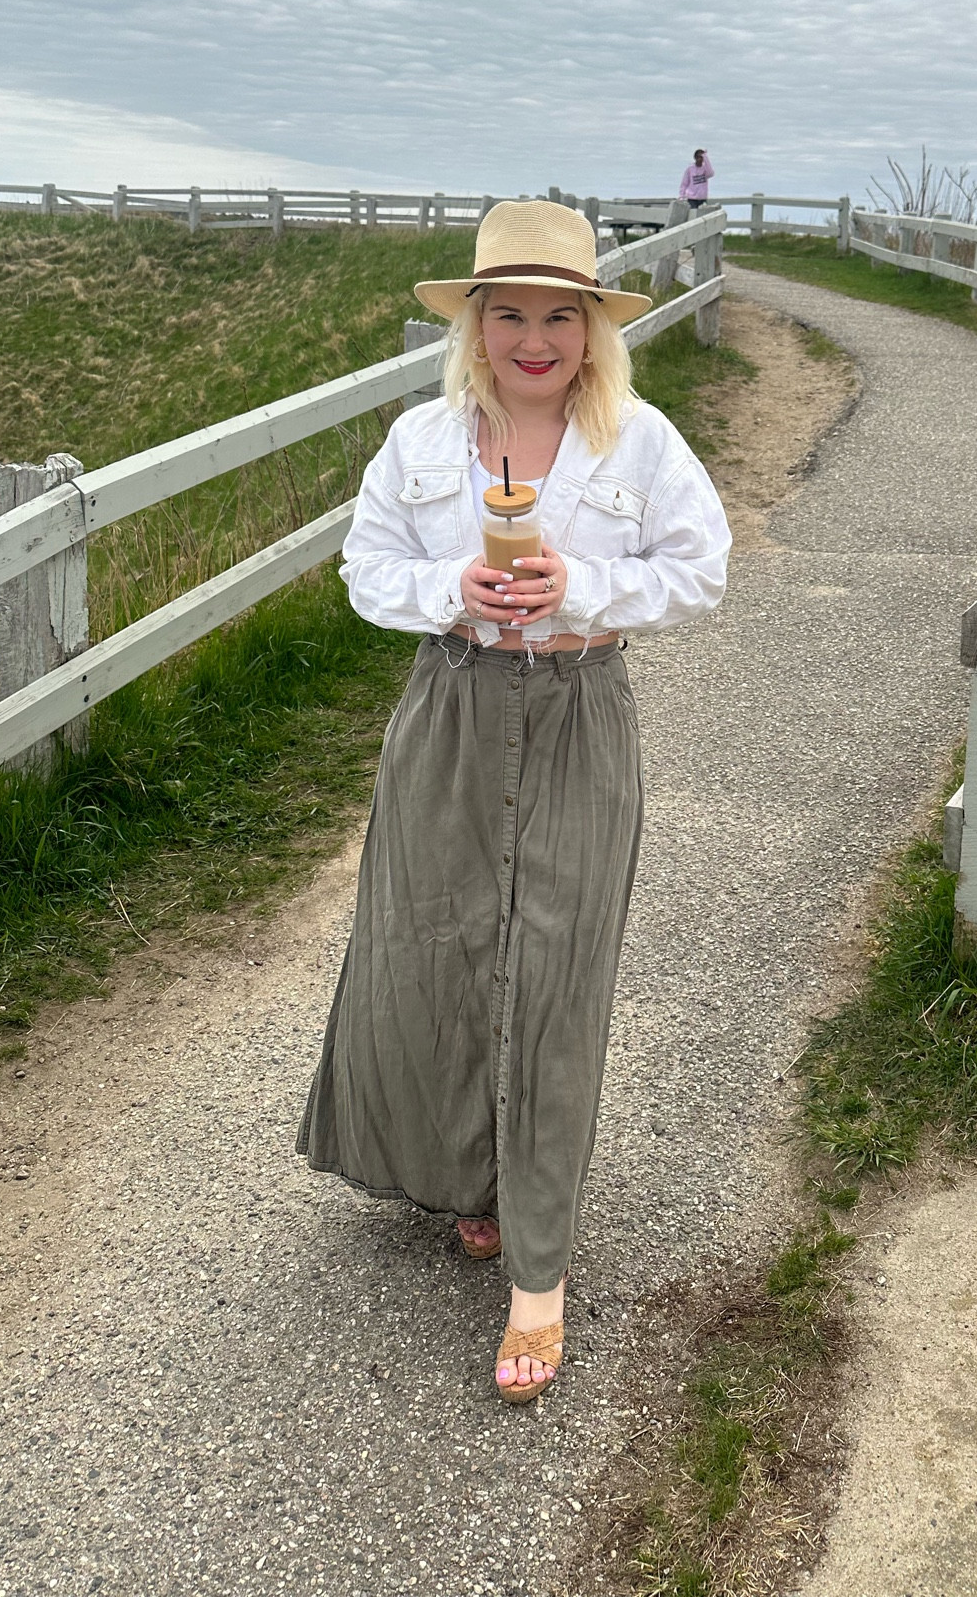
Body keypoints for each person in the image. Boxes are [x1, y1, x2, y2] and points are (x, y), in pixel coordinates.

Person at [296, 198, 731, 1405]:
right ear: (475, 326)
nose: (533, 337)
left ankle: (538, 1274)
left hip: (579, 709)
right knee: (438, 947)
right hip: (449, 709)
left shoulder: (638, 441)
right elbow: (366, 567)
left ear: (593, 329)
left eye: (559, 314)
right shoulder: (421, 440)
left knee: (554, 965)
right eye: (508, 313)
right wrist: (456, 586)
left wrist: (580, 582)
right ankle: (475, 1174)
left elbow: (701, 566)